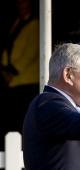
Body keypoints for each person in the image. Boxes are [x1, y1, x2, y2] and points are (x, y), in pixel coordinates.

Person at [0, 0, 39, 149]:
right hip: (14, 81)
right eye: (19, 3)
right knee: (13, 122)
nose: (21, 5)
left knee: (22, 121)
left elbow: (30, 53)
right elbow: (9, 46)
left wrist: (12, 70)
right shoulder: (17, 22)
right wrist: (4, 67)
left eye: (24, 2)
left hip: (27, 81)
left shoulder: (35, 24)